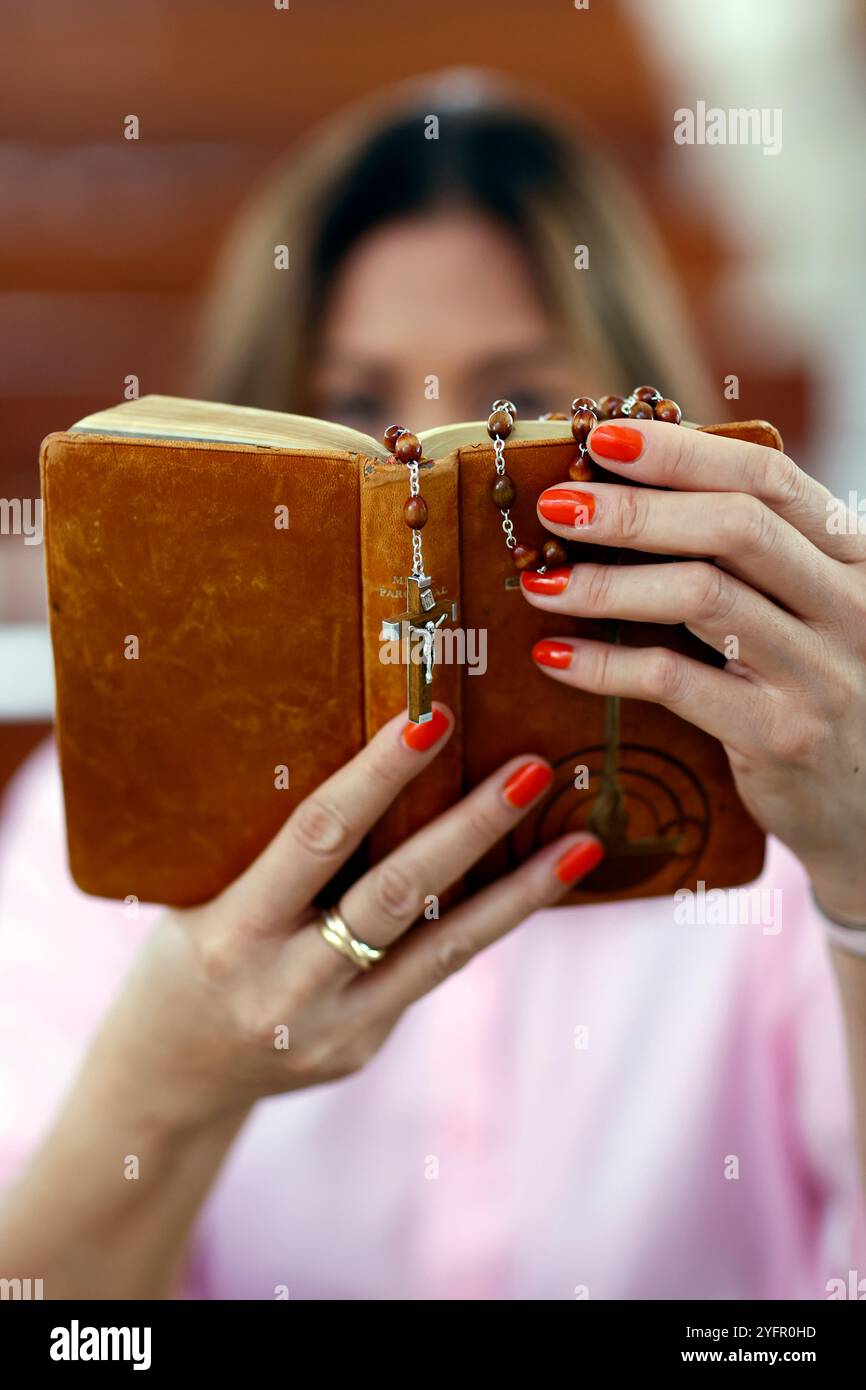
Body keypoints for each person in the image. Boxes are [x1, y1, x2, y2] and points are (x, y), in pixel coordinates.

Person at [1, 71, 864, 1301]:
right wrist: (167, 1084)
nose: (425, 480)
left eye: (514, 402)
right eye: (353, 403)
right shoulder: (103, 826)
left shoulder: (782, 795)